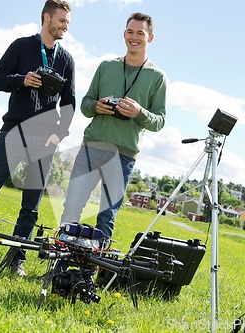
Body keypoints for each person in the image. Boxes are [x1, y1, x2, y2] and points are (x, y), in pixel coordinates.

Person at [0, 0, 75, 277]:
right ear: (47, 18)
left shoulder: (67, 60)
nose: (65, 26)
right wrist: (21, 80)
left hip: (45, 139)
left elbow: (69, 103)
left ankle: (16, 260)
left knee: (31, 206)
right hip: (13, 132)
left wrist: (59, 134)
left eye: (68, 22)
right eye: (62, 21)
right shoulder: (21, 45)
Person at [60, 12, 167, 246]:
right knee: (72, 207)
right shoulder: (106, 66)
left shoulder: (157, 77)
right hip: (92, 147)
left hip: (123, 156)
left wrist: (139, 112)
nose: (134, 37)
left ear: (150, 38)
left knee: (106, 217)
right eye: (130, 32)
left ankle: (94, 277)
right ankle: (60, 269)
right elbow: (86, 105)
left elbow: (159, 121)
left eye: (140, 33)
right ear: (124, 34)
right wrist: (97, 106)